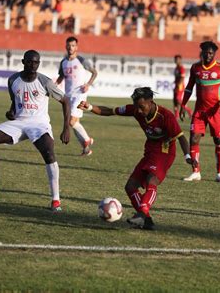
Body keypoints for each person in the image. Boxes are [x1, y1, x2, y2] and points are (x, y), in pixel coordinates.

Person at [78, 87, 196, 230]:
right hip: (150, 151)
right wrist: (89, 107)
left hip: (165, 152)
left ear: (150, 101)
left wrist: (188, 156)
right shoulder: (135, 110)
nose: (139, 111)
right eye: (136, 107)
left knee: (151, 180)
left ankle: (141, 213)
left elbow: (181, 138)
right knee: (130, 187)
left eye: (141, 107)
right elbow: (110, 111)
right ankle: (146, 221)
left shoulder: (165, 116)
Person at [0, 50, 71, 213]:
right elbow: (14, 102)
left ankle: (56, 200)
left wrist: (66, 128)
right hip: (19, 123)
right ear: (23, 62)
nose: (33, 65)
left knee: (49, 152)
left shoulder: (45, 82)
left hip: (39, 124)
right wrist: (11, 112)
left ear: (39, 64)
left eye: (36, 62)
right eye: (30, 62)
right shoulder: (13, 80)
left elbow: (65, 100)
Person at [181, 41, 220, 183]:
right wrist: (183, 104)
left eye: (211, 53)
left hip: (215, 111)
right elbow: (189, 87)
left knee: (218, 140)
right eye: (206, 52)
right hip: (199, 111)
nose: (208, 55)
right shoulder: (195, 68)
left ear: (214, 54)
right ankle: (195, 172)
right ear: (202, 52)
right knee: (194, 139)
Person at [56, 36, 98, 156]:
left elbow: (95, 72)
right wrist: (54, 86)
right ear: (66, 46)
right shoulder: (63, 62)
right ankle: (86, 149)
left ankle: (87, 140)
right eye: (69, 45)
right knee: (75, 123)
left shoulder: (81, 60)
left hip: (80, 94)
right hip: (68, 96)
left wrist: (88, 85)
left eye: (73, 45)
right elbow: (61, 77)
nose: (71, 48)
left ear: (76, 47)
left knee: (71, 121)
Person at [173, 55, 192, 120]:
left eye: (177, 59)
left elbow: (182, 77)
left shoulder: (181, 68)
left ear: (180, 60)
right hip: (176, 86)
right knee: (175, 101)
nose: (176, 61)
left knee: (178, 100)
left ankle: (189, 110)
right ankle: (176, 115)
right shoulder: (176, 68)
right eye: (175, 59)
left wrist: (179, 84)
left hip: (180, 86)